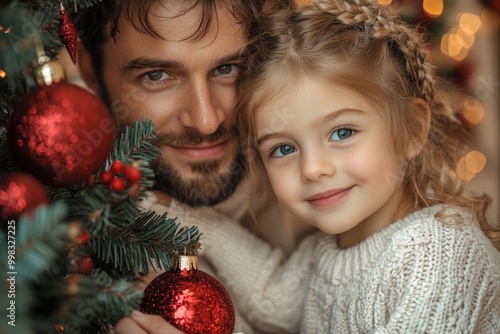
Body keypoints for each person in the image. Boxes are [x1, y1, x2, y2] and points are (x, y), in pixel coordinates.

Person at [173, 0, 500, 332]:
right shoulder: (330, 247)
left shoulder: (439, 252)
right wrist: (185, 218)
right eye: (283, 148)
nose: (313, 169)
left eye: (342, 133)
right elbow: (275, 298)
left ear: (412, 129)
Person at [73, 0, 316, 333]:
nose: (205, 121)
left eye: (228, 69)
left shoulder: (330, 165)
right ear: (91, 72)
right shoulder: (61, 228)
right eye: (156, 75)